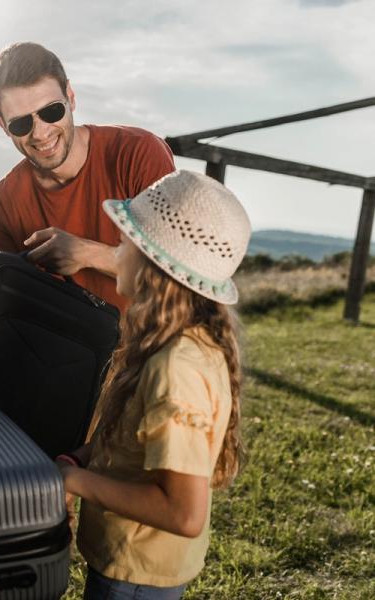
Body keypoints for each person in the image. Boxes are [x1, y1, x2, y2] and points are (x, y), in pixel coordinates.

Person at [55, 170, 250, 599]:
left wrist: (75, 484)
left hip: (135, 577)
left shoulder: (175, 368)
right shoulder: (178, 341)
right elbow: (129, 437)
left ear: (151, 266)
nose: (116, 251)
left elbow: (183, 513)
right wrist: (79, 459)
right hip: (128, 564)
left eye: (126, 242)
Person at [0, 42, 176, 311]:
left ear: (70, 97)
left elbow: (177, 272)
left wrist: (85, 253)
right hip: (66, 351)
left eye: (52, 111)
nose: (40, 133)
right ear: (3, 125)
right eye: (21, 123)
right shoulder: (5, 201)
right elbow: (17, 305)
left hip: (152, 347)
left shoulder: (139, 152)